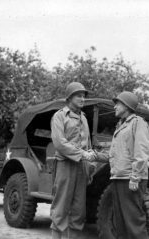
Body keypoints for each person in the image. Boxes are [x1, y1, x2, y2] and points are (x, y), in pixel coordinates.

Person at [95, 91, 149, 239]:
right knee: (121, 225)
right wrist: (93, 155)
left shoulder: (138, 123)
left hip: (130, 179)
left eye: (117, 104)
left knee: (133, 224)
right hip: (118, 178)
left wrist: (135, 177)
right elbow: (112, 154)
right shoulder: (121, 126)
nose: (114, 107)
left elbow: (142, 152)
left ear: (126, 106)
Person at [50, 82, 95, 239]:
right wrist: (82, 154)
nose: (83, 99)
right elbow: (59, 143)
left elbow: (87, 142)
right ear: (69, 98)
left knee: (78, 211)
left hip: (81, 167)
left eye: (84, 96)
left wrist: (90, 165)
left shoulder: (84, 118)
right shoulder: (59, 116)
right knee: (60, 207)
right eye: (79, 96)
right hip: (65, 165)